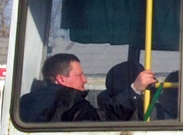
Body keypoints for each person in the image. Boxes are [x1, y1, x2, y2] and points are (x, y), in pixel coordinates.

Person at [19, 53, 156, 123]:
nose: (85, 80)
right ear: (61, 79)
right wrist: (134, 90)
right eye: (79, 75)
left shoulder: (25, 101)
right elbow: (103, 121)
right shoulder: (69, 103)